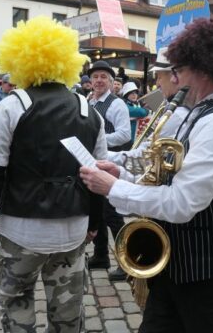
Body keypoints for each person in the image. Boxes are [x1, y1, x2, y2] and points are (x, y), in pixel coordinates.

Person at [81, 18, 213, 332]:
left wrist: (114, 187)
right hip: (175, 268)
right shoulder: (195, 115)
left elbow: (181, 203)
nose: (172, 79)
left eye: (177, 71)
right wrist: (121, 172)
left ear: (200, 70)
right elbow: (162, 177)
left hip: (211, 277)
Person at [0, 16, 106, 332]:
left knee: (17, 307)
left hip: (21, 230)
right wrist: (95, 223)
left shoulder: (12, 106)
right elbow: (98, 177)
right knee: (68, 313)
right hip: (73, 228)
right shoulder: (89, 111)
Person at [86, 60, 131, 281]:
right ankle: (101, 255)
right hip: (94, 164)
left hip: (112, 165)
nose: (99, 80)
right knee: (98, 212)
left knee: (113, 215)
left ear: (112, 82)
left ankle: (126, 262)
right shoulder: (88, 101)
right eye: (95, 77)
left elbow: (125, 135)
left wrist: (97, 140)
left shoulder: (116, 104)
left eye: (104, 77)